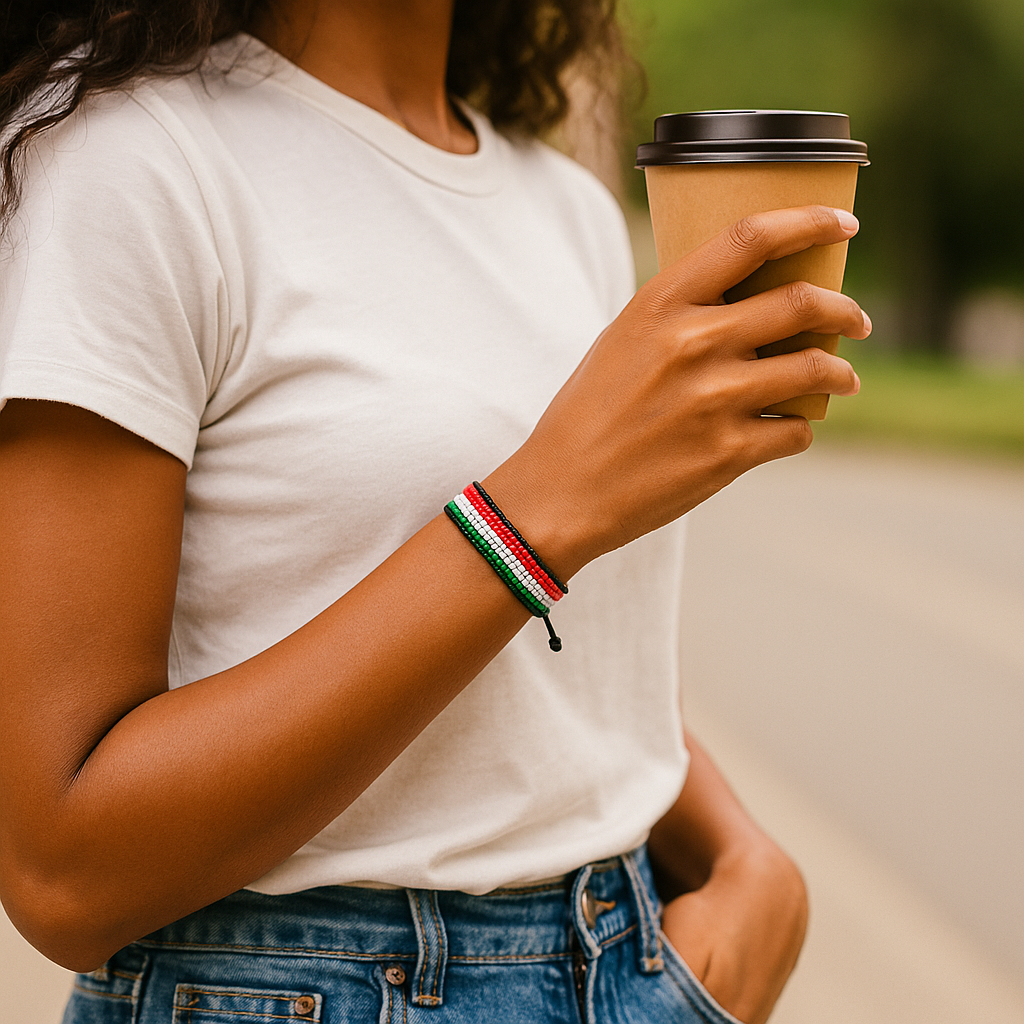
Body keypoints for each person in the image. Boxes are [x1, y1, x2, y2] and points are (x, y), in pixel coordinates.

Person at [0, 2, 869, 1022]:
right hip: (298, 981)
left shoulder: (564, 205)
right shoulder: (124, 158)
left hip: (626, 956)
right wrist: (535, 514)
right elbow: (64, 872)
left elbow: (547, 680)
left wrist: (745, 858)